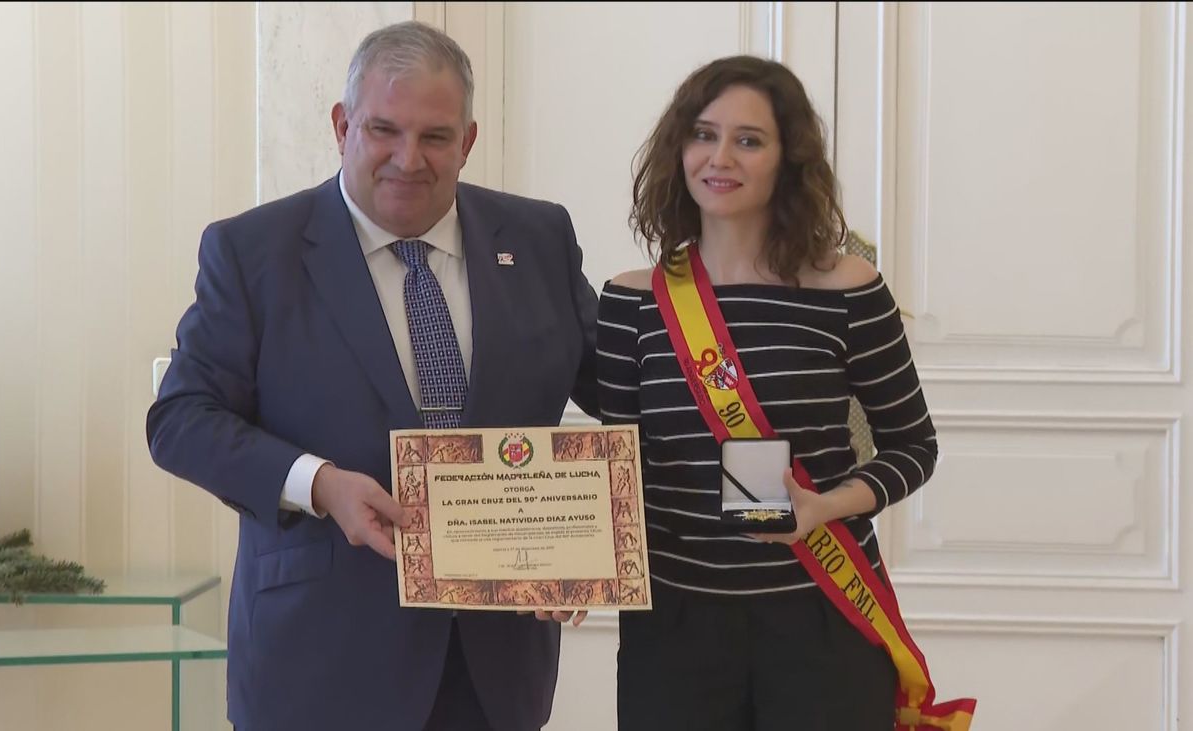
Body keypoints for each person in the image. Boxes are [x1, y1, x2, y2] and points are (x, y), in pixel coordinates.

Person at [147, 21, 597, 731]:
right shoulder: (254, 251)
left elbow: (620, 389)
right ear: (342, 125)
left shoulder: (538, 238)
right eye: (384, 130)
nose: (408, 159)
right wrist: (319, 484)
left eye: (435, 137)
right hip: (318, 667)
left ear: (468, 141)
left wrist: (591, 535)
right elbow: (180, 420)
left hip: (494, 673)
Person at [597, 56, 940, 730]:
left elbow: (914, 447)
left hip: (822, 611)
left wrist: (825, 506)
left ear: (789, 159)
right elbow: (618, 472)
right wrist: (561, 563)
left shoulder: (848, 289)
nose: (720, 157)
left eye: (749, 140)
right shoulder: (630, 301)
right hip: (675, 627)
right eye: (703, 134)